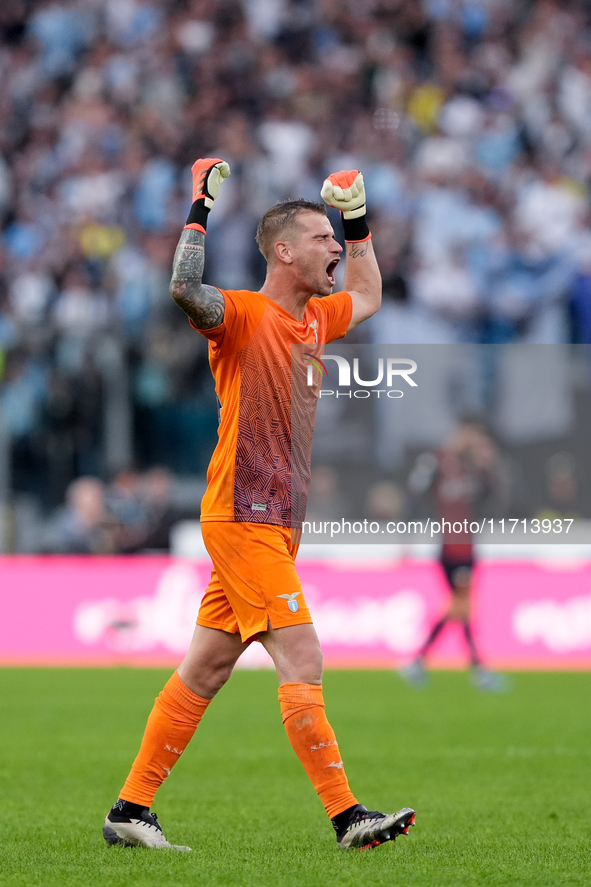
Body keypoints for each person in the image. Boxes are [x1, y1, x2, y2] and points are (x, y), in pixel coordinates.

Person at [102, 159, 416, 851]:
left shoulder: (313, 320)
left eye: (337, 238)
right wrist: (198, 207)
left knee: (205, 669)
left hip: (269, 522)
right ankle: (347, 815)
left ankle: (131, 808)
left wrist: (358, 218)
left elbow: (367, 293)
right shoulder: (244, 315)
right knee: (302, 657)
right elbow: (184, 287)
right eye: (322, 237)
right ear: (282, 250)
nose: (335, 247)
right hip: (244, 517)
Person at [400, 422, 508, 692]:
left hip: (467, 546)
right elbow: (414, 495)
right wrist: (407, 537)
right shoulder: (437, 463)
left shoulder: (473, 470)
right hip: (452, 548)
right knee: (462, 606)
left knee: (459, 608)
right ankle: (477, 669)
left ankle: (420, 662)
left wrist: (488, 468)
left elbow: (496, 500)